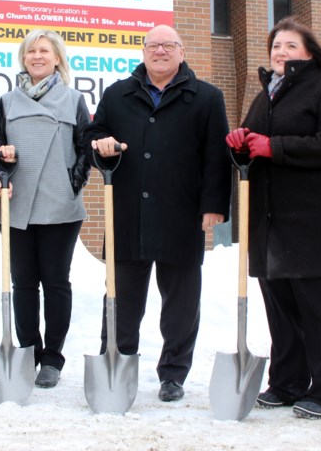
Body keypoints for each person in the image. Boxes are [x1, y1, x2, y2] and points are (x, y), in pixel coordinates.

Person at [85, 24, 231, 403]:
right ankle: (117, 362)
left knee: (181, 302)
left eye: (169, 45)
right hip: (128, 213)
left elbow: (217, 156)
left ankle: (173, 374)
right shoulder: (118, 94)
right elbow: (92, 135)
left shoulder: (207, 98)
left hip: (181, 213)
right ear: (143, 51)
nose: (160, 51)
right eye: (153, 45)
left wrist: (214, 205)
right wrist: (99, 144)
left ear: (181, 52)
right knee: (120, 297)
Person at [225, 16, 321, 420]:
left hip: (315, 220)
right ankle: (287, 382)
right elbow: (253, 146)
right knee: (280, 308)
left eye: (289, 46)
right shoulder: (266, 94)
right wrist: (241, 145)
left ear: (309, 53)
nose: (280, 53)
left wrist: (273, 147)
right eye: (276, 46)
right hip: (270, 219)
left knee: (318, 310)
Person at [0, 29, 91, 389]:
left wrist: (71, 184)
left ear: (57, 57)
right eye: (30, 51)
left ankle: (52, 359)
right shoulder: (8, 101)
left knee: (56, 283)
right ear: (23, 59)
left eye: (44, 50)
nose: (37, 56)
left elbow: (85, 149)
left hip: (60, 205)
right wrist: (0, 162)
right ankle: (28, 350)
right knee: (23, 283)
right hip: (17, 203)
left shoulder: (74, 99)